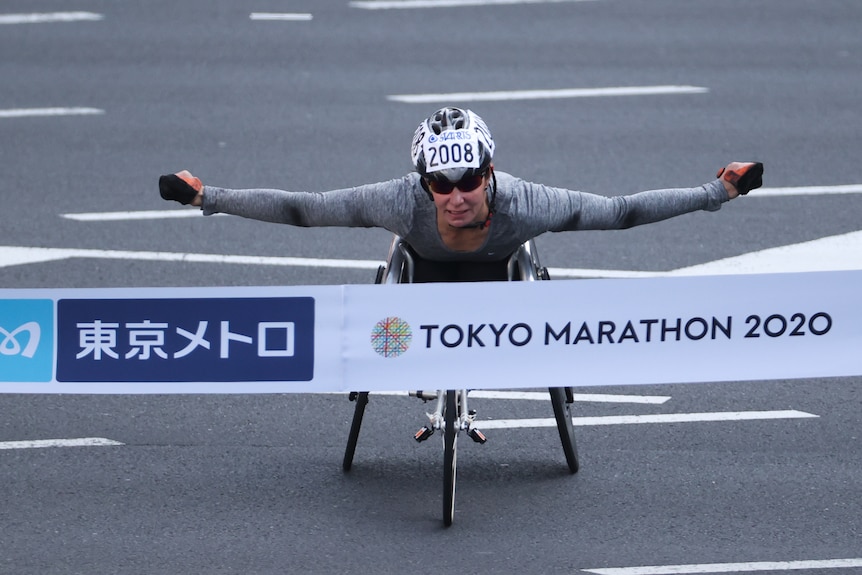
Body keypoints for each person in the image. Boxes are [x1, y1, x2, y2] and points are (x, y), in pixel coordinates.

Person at [159, 106, 763, 281]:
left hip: (501, 275)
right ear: (423, 182)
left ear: (490, 173)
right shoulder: (398, 202)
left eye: (470, 181)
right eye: (440, 185)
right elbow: (304, 209)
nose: (456, 197)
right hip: (420, 275)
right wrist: (206, 196)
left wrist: (718, 192)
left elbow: (621, 213)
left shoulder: (526, 203)